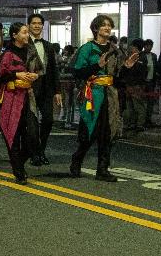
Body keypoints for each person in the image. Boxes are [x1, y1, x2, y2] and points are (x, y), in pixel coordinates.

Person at [69, 14, 136, 181]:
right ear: (96, 29)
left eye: (109, 25)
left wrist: (127, 68)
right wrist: (96, 66)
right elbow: (77, 71)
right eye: (103, 25)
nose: (107, 28)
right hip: (92, 95)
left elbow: (119, 77)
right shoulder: (87, 48)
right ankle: (77, 159)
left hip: (110, 96)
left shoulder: (116, 50)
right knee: (89, 133)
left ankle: (102, 169)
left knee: (108, 132)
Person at [0, 22, 40, 183]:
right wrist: (16, 76)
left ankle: (18, 162)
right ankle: (19, 172)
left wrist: (35, 76)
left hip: (28, 97)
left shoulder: (31, 52)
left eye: (27, 33)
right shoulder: (7, 55)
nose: (27, 35)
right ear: (14, 35)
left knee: (33, 136)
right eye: (24, 32)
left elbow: (39, 70)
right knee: (13, 135)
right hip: (11, 99)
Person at [23, 15, 60, 163]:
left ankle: (41, 150)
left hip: (46, 88)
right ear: (29, 25)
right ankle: (33, 153)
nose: (37, 26)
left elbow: (54, 69)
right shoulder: (24, 44)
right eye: (34, 23)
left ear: (43, 26)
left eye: (39, 23)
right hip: (29, 88)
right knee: (31, 124)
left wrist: (57, 91)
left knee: (49, 120)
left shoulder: (49, 46)